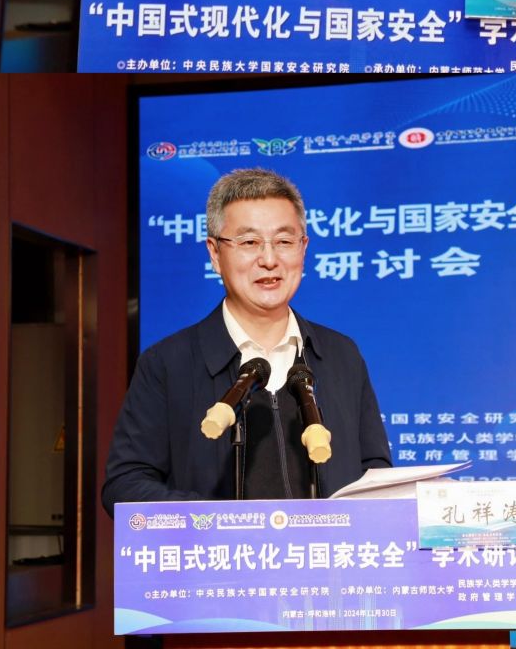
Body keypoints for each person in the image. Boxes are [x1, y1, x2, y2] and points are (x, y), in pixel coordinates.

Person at [102, 168, 390, 508]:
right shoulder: (167, 364)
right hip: (213, 543)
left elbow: (376, 474)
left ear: (304, 248)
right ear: (215, 253)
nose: (269, 260)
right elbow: (126, 483)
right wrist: (217, 523)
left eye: (284, 242)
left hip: (328, 545)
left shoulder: (342, 355)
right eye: (249, 242)